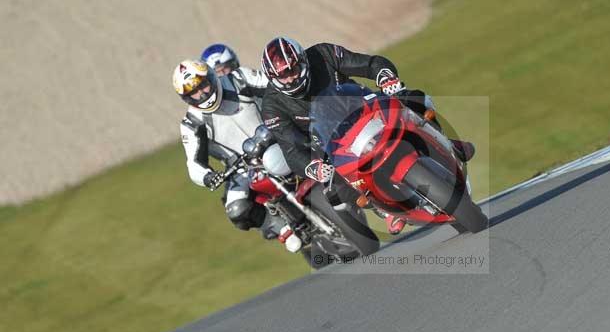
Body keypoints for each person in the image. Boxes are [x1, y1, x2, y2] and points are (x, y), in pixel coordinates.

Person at [258, 36, 474, 234]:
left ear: (303, 60)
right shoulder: (272, 105)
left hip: (365, 108)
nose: (291, 78)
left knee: (416, 99)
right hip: (332, 144)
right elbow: (290, 149)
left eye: (293, 69)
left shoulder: (323, 54)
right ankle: (385, 208)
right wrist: (312, 167)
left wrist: (385, 77)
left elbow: (369, 64)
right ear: (273, 78)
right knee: (334, 186)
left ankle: (446, 143)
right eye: (283, 75)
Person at [173, 56, 283, 239]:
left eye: (202, 85)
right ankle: (282, 228)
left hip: (278, 139)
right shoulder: (191, 123)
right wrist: (208, 177)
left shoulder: (239, 78)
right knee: (236, 209)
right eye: (194, 92)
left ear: (210, 77)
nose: (201, 94)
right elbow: (193, 164)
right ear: (186, 98)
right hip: (243, 168)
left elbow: (275, 85)